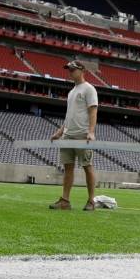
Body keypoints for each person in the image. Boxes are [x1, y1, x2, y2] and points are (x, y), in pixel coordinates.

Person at [48, 59, 98, 211]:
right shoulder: (71, 92)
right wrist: (59, 132)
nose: (70, 72)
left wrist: (91, 132)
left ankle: (91, 201)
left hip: (82, 135)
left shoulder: (89, 89)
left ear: (82, 70)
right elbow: (69, 116)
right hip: (67, 136)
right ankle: (65, 201)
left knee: (87, 167)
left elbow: (93, 110)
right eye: (69, 69)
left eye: (73, 69)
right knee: (68, 168)